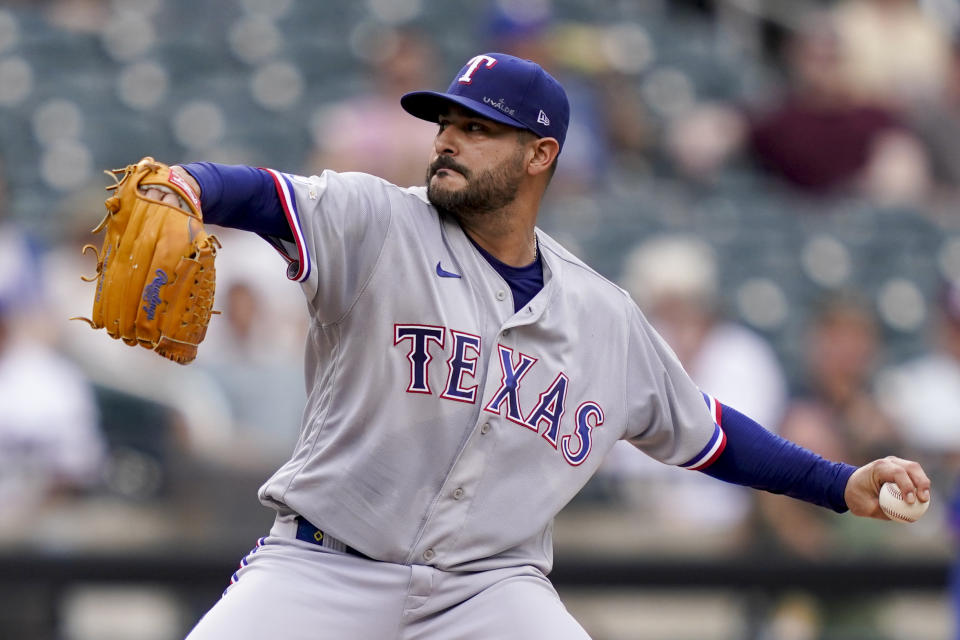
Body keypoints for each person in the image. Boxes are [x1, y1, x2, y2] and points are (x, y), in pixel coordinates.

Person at [137, 53, 928, 639]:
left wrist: (839, 481)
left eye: (477, 129)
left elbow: (707, 432)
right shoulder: (378, 220)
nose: (447, 141)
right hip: (324, 566)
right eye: (445, 122)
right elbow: (268, 195)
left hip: (487, 593)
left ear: (539, 154)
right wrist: (190, 185)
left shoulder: (600, 314)